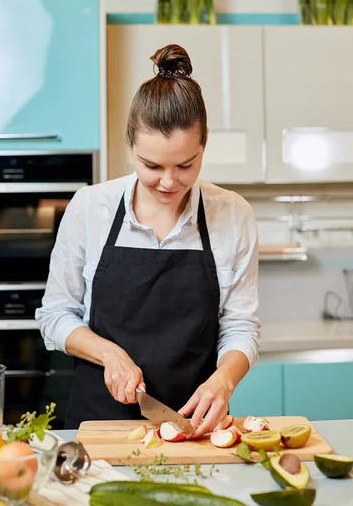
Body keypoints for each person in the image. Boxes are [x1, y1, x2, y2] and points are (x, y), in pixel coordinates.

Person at [35, 44, 260, 436]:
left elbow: (241, 326)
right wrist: (109, 354)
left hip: (193, 427)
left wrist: (224, 381)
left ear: (203, 143)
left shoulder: (232, 213)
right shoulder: (91, 208)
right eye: (151, 165)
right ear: (131, 147)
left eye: (185, 165)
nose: (169, 182)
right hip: (96, 427)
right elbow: (55, 315)